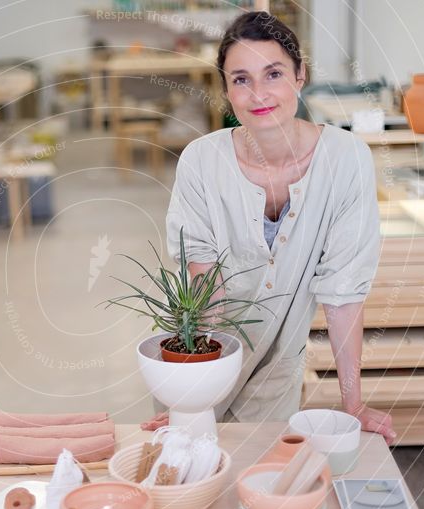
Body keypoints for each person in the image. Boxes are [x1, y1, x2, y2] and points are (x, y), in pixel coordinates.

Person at [158, 11, 396, 444]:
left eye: (273, 74)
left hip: (281, 368)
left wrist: (353, 404)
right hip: (201, 362)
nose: (258, 93)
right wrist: (190, 402)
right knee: (192, 479)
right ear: (227, 90)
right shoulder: (200, 161)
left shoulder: (345, 159)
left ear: (300, 75)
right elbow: (205, 286)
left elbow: (344, 293)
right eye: (241, 79)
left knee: (258, 481)